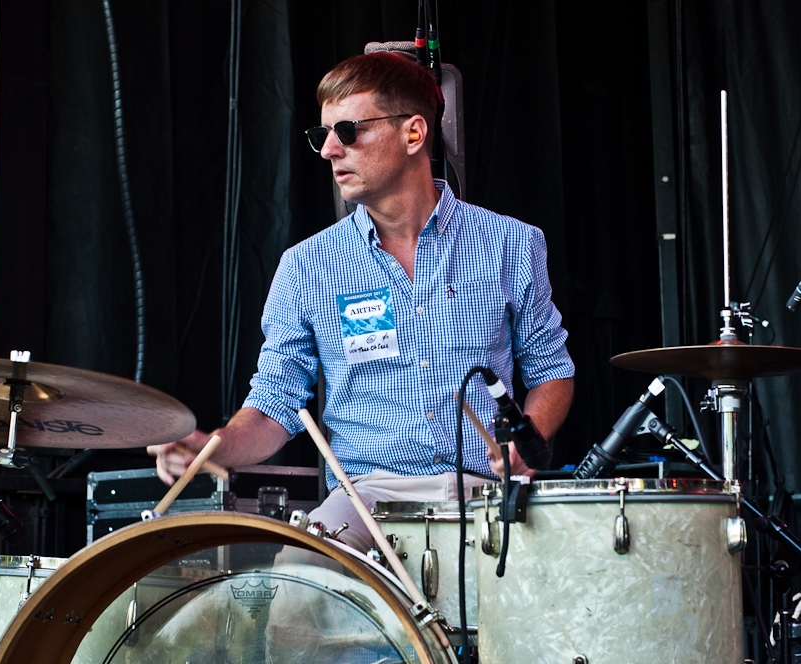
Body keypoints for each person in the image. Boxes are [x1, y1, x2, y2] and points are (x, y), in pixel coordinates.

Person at [149, 51, 575, 553]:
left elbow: (552, 370)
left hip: (482, 493)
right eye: (321, 134)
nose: (329, 149)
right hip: (363, 497)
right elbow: (272, 407)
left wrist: (527, 444)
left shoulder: (511, 244)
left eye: (347, 131)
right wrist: (212, 448)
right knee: (292, 604)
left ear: (413, 134)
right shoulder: (306, 266)